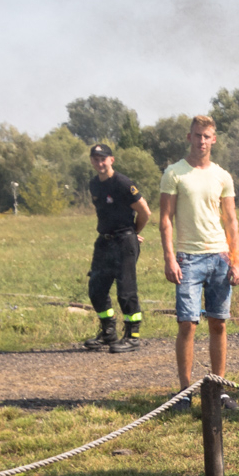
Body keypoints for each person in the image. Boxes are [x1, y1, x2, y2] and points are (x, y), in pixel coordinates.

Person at [159, 115, 239, 401]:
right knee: (187, 323)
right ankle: (184, 391)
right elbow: (165, 219)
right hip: (188, 258)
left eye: (207, 136)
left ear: (214, 139)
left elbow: (231, 220)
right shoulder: (174, 173)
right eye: (197, 135)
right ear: (189, 137)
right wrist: (170, 258)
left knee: (218, 322)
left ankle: (218, 388)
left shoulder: (222, 176)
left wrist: (236, 259)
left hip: (219, 256)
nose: (201, 141)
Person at [83, 143, 150, 353]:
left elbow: (145, 212)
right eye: (95, 159)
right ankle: (108, 331)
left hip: (124, 241)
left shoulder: (122, 183)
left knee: (126, 291)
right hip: (104, 241)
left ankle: (132, 336)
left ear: (111, 160)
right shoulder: (94, 184)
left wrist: (132, 233)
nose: (99, 163)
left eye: (103, 158)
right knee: (96, 289)